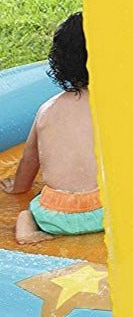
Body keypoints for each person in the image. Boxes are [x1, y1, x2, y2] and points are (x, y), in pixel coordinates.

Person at [1, 13, 103, 244]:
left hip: (53, 215)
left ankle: (26, 228)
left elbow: (29, 161)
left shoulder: (47, 110)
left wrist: (17, 188)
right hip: (104, 210)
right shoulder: (111, 110)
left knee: (28, 212)